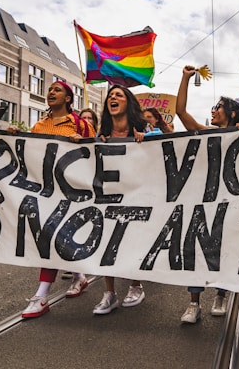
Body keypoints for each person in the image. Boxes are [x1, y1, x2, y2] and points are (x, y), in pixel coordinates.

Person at [176, 64, 239, 324]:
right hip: (205, 201)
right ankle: (193, 303)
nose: (212, 111)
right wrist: (185, 78)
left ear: (231, 113)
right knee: (196, 249)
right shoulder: (206, 133)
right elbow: (181, 113)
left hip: (231, 202)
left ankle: (221, 294)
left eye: (218, 107)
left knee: (225, 249)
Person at [20, 81, 96, 317]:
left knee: (54, 236)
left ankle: (42, 295)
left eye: (57, 90)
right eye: (50, 89)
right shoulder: (39, 125)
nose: (51, 92)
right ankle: (78, 276)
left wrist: (81, 143)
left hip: (72, 192)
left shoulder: (81, 125)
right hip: (46, 192)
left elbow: (95, 157)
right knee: (53, 236)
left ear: (68, 99)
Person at [93, 85, 147, 315]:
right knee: (107, 241)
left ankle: (135, 285)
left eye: (119, 95)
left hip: (135, 195)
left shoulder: (144, 133)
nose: (112, 98)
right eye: (111, 96)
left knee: (132, 240)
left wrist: (148, 141)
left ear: (128, 103)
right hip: (109, 195)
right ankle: (110, 293)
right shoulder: (101, 136)